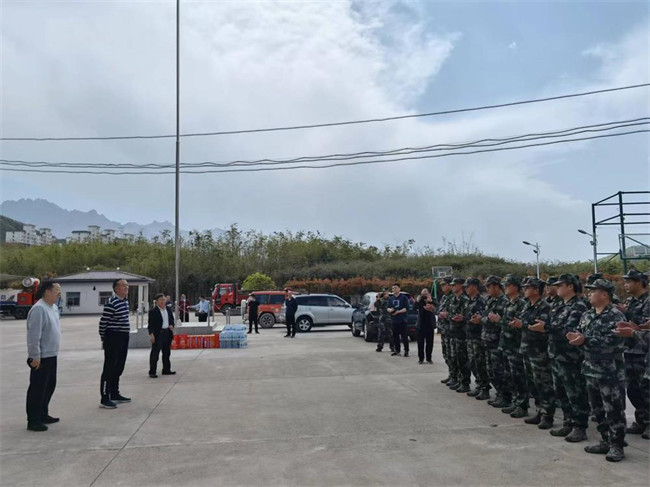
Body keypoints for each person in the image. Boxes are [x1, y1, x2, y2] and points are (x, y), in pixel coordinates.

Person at [568, 278, 627, 462]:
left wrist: (585, 340)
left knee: (614, 409)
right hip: (590, 368)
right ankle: (605, 440)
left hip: (609, 370)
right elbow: (580, 332)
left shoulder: (616, 316)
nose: (589, 294)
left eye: (593, 291)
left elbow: (615, 341)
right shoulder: (587, 315)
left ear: (604, 295)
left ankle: (617, 445)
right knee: (597, 409)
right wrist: (577, 338)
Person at [546, 274, 590, 442]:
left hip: (570, 357)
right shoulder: (559, 305)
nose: (557, 288)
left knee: (575, 393)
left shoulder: (578, 306)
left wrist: (547, 328)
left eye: (560, 285)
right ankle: (568, 422)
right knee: (561, 392)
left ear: (570, 286)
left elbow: (571, 331)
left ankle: (580, 427)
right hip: (557, 355)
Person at [514, 277, 555, 429]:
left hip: (539, 351)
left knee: (544, 384)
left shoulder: (544, 307)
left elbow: (541, 327)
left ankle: (547, 415)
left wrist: (523, 324)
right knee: (533, 384)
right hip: (527, 348)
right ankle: (539, 410)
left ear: (536, 290)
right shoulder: (527, 306)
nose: (524, 290)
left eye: (527, 288)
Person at [25, 281, 61, 432]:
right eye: (57, 290)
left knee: (49, 386)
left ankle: (43, 414)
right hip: (41, 356)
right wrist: (35, 356)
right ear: (47, 292)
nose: (59, 294)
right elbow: (34, 336)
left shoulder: (53, 307)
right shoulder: (39, 309)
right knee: (38, 388)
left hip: (52, 354)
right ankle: (33, 420)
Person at [619, 269, 649, 438]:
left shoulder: (648, 301)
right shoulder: (631, 301)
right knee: (632, 389)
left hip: (643, 351)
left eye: (629, 281)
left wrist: (633, 325)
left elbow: (644, 326)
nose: (626, 284)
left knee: (646, 389)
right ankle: (641, 420)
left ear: (639, 282)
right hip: (630, 350)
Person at [99, 279, 132, 409]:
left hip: (123, 336)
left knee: (119, 366)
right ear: (116, 288)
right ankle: (105, 397)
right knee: (109, 367)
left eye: (127, 285)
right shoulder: (111, 303)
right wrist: (104, 338)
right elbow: (103, 322)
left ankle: (114, 393)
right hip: (113, 337)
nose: (126, 287)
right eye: (123, 285)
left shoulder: (125, 302)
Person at [500, 276, 530, 418]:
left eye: (508, 285)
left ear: (515, 287)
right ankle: (515, 401)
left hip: (516, 346)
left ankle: (522, 405)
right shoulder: (508, 303)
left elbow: (519, 324)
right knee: (510, 376)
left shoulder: (521, 304)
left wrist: (500, 320)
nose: (505, 287)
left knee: (519, 377)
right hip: (507, 345)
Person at [481, 275, 512, 409]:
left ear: (495, 286)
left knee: (500, 371)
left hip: (497, 341)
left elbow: (504, 321)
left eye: (489, 287)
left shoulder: (504, 302)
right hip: (488, 340)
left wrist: (492, 320)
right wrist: (488, 319)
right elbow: (484, 317)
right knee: (491, 371)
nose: (487, 289)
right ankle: (500, 394)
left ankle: (506, 396)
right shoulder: (490, 300)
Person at [443, 277, 471, 393]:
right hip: (452, 332)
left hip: (461, 334)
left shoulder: (465, 299)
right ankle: (457, 379)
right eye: (452, 285)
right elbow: (450, 313)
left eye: (455, 285)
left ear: (460, 286)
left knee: (462, 359)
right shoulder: (454, 299)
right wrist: (448, 316)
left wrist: (457, 317)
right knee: (454, 358)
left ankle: (464, 382)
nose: (453, 287)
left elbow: (466, 316)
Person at [464, 278, 490, 399]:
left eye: (468, 286)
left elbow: (483, 317)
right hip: (469, 335)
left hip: (478, 336)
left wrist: (477, 319)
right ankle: (479, 385)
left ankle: (485, 388)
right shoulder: (469, 301)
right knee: (473, 363)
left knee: (480, 363)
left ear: (474, 287)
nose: (466, 288)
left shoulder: (481, 301)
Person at [148, 293, 176, 378]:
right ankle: (152, 371)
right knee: (155, 354)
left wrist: (171, 325)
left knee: (167, 353)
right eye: (160, 300)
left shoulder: (168, 309)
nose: (162, 301)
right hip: (158, 334)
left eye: (164, 300)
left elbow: (171, 320)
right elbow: (150, 325)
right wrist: (151, 335)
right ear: (156, 301)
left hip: (167, 333)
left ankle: (166, 369)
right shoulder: (153, 311)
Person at [437, 277, 455, 383]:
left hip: (451, 330)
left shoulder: (453, 297)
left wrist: (447, 315)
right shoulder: (444, 297)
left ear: (450, 285)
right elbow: (439, 310)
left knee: (453, 356)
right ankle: (451, 375)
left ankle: (457, 377)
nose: (442, 287)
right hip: (444, 330)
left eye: (444, 285)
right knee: (446, 354)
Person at [387, 283, 410, 357]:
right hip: (394, 320)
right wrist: (390, 310)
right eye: (393, 288)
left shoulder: (403, 297)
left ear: (399, 289)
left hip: (402, 320)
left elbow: (406, 308)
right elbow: (388, 307)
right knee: (395, 336)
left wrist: (398, 312)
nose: (394, 289)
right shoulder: (391, 298)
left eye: (396, 288)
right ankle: (397, 350)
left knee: (404, 336)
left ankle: (406, 350)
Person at [415, 288, 435, 364]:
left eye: (425, 294)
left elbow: (437, 307)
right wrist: (417, 301)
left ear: (429, 294)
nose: (424, 296)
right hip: (420, 325)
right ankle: (421, 358)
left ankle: (429, 358)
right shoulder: (420, 300)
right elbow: (414, 308)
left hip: (430, 324)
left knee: (430, 343)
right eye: (422, 294)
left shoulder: (433, 299)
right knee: (420, 343)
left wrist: (430, 301)